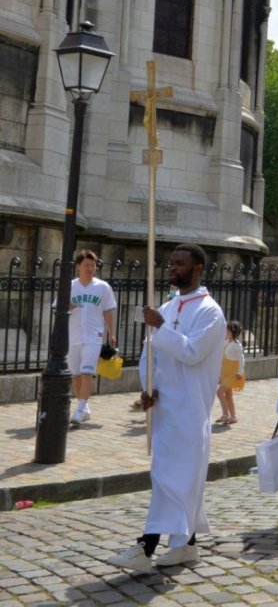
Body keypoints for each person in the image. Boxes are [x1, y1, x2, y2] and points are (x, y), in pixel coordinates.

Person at [106, 244, 226, 573]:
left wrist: (160, 325)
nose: (172, 268)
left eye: (179, 263)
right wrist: (149, 388)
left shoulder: (210, 312)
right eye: (171, 263)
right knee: (168, 477)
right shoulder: (169, 306)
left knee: (174, 478)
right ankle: (186, 545)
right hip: (165, 407)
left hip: (190, 409)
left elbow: (191, 352)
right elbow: (152, 353)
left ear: (198, 268)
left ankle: (146, 546)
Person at [65, 249, 117, 427]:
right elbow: (57, 308)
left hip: (94, 336)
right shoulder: (70, 286)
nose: (90, 268)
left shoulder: (102, 287)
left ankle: (79, 409)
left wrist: (111, 332)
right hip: (73, 336)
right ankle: (84, 406)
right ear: (78, 266)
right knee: (76, 375)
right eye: (86, 265)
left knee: (87, 373)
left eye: (92, 265)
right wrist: (69, 305)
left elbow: (108, 310)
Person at [215, 320, 245, 426]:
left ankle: (226, 414)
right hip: (226, 374)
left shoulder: (236, 345)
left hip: (232, 374)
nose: (225, 334)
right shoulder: (226, 343)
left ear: (232, 333)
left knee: (219, 392)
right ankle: (232, 416)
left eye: (227, 332)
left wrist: (240, 372)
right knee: (228, 395)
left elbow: (241, 359)